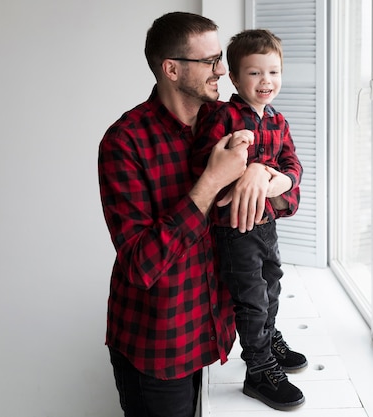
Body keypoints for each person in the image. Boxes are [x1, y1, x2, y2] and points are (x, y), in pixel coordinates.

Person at [97, 12, 272, 417]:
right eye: (210, 61)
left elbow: (289, 189)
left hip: (211, 330)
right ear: (171, 69)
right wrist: (211, 181)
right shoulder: (125, 142)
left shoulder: (227, 122)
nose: (222, 70)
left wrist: (264, 174)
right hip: (157, 349)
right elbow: (142, 264)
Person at [191, 29, 306, 411]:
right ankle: (258, 369)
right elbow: (205, 163)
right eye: (255, 73)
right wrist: (247, 166)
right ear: (236, 78)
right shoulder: (223, 115)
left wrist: (282, 178)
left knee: (273, 283)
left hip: (266, 225)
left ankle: (270, 338)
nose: (266, 81)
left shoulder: (278, 120)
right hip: (235, 229)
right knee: (252, 299)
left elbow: (292, 164)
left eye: (273, 72)